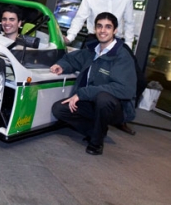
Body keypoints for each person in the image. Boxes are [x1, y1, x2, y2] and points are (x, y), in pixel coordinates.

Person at [50, 12, 137, 155]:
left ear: (115, 30)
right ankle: (96, 130)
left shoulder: (122, 56)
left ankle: (96, 143)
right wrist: (62, 66)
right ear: (95, 29)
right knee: (59, 109)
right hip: (91, 102)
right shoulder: (92, 50)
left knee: (103, 98)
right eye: (99, 26)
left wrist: (83, 93)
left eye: (108, 27)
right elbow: (72, 59)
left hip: (115, 108)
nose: (103, 31)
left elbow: (125, 89)